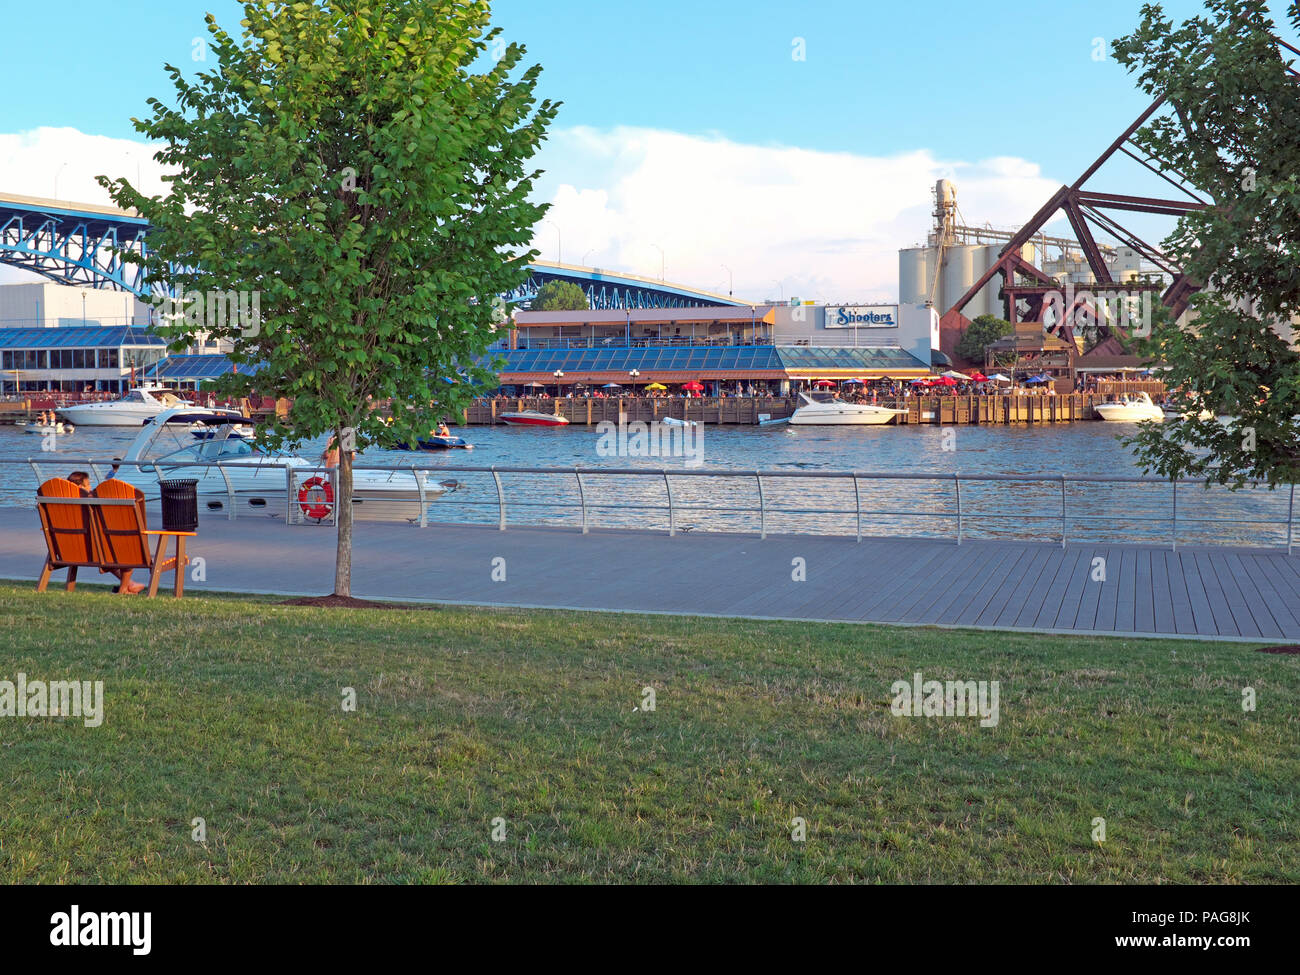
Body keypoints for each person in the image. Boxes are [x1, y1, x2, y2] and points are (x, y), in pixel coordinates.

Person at [66, 471, 146, 594]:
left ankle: (130, 584)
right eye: (88, 485)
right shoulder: (89, 505)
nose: (90, 487)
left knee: (108, 552)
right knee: (126, 548)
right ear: (80, 487)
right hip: (97, 551)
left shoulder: (65, 507)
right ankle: (124, 589)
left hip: (70, 550)